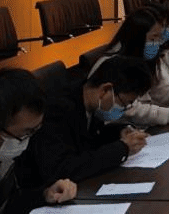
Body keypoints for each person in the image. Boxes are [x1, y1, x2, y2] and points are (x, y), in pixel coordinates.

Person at [0, 69, 76, 214]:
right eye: (24, 134)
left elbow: (8, 203)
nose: (25, 143)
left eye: (33, 132)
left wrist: (45, 195)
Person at [23, 56, 153, 183]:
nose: (124, 108)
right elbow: (61, 169)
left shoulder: (88, 100)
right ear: (105, 90)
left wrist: (120, 132)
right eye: (125, 103)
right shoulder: (57, 110)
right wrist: (122, 148)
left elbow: (93, 138)